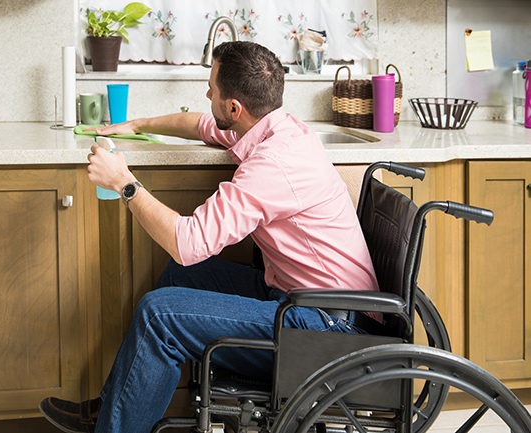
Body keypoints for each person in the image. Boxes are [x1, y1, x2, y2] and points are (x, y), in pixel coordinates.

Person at [39, 41, 378, 433]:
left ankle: (116, 427)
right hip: (300, 298)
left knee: (159, 313)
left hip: (324, 329)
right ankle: (117, 410)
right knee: (179, 277)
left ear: (234, 108)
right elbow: (199, 123)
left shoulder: (273, 164)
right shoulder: (272, 128)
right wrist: (136, 125)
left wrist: (125, 183)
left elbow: (188, 243)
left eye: (212, 88)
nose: (207, 93)